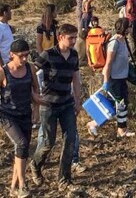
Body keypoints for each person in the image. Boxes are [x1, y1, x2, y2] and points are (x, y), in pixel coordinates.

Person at [30, 23, 83, 191]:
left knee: (70, 140)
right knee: (47, 142)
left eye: (75, 37)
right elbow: (32, 71)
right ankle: (35, 165)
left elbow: (75, 78)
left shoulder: (74, 55)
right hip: (49, 105)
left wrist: (77, 100)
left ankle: (64, 179)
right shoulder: (48, 55)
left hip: (67, 103)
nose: (74, 41)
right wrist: (35, 95)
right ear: (60, 37)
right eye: (71, 38)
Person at [0, 39, 41, 198]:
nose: (24, 59)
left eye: (26, 55)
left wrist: (36, 109)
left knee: (22, 150)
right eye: (21, 56)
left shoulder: (30, 68)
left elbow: (35, 88)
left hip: (26, 114)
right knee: (21, 144)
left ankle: (13, 188)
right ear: (11, 55)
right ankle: (23, 185)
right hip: (8, 115)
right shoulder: (4, 72)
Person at [91, 18, 135, 138]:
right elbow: (109, 63)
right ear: (124, 28)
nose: (131, 28)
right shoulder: (114, 42)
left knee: (119, 103)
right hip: (113, 79)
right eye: (130, 26)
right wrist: (106, 81)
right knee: (119, 104)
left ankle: (97, 124)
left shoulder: (123, 41)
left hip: (121, 78)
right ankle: (120, 129)